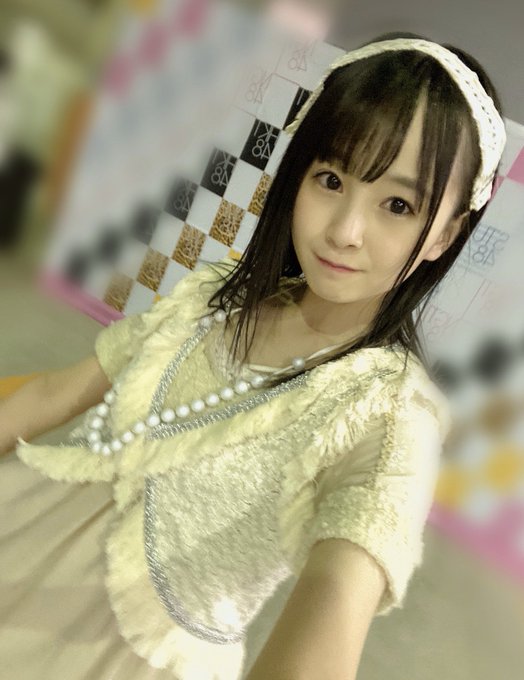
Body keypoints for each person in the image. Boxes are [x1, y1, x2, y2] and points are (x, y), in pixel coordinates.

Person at [0, 30, 506, 680]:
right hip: (26, 543)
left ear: (445, 235)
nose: (345, 231)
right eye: (331, 179)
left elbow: (343, 586)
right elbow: (56, 392)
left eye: (398, 205)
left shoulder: (389, 419)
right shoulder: (212, 299)